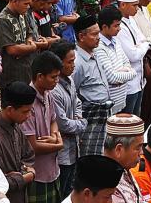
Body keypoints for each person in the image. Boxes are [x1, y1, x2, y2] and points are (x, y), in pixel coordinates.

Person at [21, 51, 64, 203]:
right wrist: (58, 144)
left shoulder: (47, 94)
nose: (56, 81)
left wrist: (54, 135)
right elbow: (33, 146)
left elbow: (53, 120)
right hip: (37, 175)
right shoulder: (27, 103)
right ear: (40, 76)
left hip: (52, 170)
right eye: (53, 77)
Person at [50, 40, 88, 199]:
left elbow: (77, 101)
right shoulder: (53, 89)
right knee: (63, 193)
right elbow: (63, 123)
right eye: (70, 62)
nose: (73, 65)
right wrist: (82, 123)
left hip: (74, 149)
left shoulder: (70, 80)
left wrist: (78, 117)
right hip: (62, 154)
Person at [0, 81, 37, 203]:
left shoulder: (16, 126)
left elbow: (29, 155)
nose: (29, 116)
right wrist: (23, 178)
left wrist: (23, 169)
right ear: (10, 110)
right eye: (25, 111)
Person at [72, 15, 112, 156]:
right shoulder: (77, 63)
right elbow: (73, 93)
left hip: (103, 114)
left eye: (98, 34)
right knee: (89, 156)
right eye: (94, 34)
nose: (98, 38)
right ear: (81, 36)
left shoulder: (94, 54)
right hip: (89, 117)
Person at [95, 6, 136, 114]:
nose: (119, 28)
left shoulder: (115, 40)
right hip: (109, 106)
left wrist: (122, 72)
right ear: (104, 27)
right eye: (116, 26)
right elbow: (112, 77)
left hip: (121, 101)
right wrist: (132, 73)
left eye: (119, 25)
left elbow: (127, 62)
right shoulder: (99, 47)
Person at [0, 0, 38, 87]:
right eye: (26, 4)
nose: (28, 7)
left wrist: (28, 43)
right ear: (15, 1)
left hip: (26, 69)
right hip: (11, 75)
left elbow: (29, 33)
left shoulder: (22, 13)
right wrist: (32, 47)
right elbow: (12, 49)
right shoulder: (3, 19)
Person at [116, 0, 149, 116]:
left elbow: (143, 39)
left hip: (139, 82)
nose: (137, 8)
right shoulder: (120, 27)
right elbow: (133, 55)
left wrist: (142, 44)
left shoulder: (132, 20)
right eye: (134, 5)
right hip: (129, 85)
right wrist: (145, 45)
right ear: (123, 5)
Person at [102, 113, 147, 203]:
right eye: (138, 147)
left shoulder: (123, 169)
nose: (141, 152)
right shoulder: (105, 186)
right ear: (119, 149)